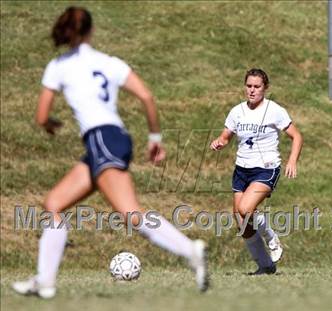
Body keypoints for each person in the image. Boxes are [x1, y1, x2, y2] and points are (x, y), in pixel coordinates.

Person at [12, 7, 209, 298]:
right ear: (91, 31)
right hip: (111, 139)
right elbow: (146, 96)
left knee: (131, 213)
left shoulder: (58, 66)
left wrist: (50, 124)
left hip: (101, 139)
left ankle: (190, 250)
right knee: (53, 204)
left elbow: (41, 116)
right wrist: (155, 137)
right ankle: (45, 282)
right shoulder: (109, 62)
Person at [210, 68, 303, 274]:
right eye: (249, 86)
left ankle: (272, 238)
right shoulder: (237, 111)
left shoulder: (274, 110)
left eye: (257, 87)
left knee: (245, 209)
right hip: (241, 170)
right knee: (242, 222)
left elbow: (297, 136)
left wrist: (292, 161)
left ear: (265, 88)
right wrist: (220, 142)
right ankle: (265, 266)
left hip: (266, 169)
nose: (252, 90)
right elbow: (226, 135)